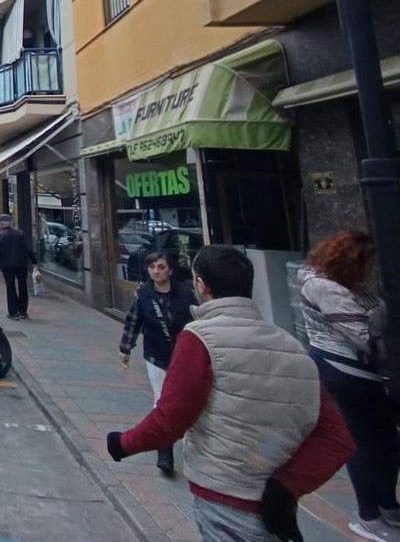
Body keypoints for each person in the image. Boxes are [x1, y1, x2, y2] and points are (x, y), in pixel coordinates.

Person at [106, 245, 354, 542]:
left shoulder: (200, 338)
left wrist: (123, 443)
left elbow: (171, 418)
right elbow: (337, 439)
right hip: (277, 507)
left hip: (223, 494)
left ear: (201, 285)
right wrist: (285, 487)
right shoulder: (292, 347)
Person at [299, 230, 399, 542]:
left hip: (367, 373)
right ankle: (368, 515)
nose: (369, 268)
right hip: (344, 371)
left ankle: (387, 504)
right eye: (365, 261)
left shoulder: (348, 284)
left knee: (386, 442)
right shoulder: (325, 287)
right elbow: (364, 336)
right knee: (364, 444)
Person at [118, 251, 197, 476]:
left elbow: (198, 321)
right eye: (152, 267)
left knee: (186, 400)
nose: (156, 271)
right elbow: (133, 321)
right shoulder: (143, 294)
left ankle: (192, 449)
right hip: (156, 353)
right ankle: (164, 451)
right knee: (162, 400)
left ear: (170, 270)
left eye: (161, 267)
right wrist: (125, 348)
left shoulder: (186, 294)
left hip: (183, 354)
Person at [0, 214, 35, 320]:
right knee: (23, 286)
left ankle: (13, 312)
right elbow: (28, 249)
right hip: (21, 265)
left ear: (2, 223)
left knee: (10, 287)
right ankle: (23, 311)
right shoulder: (20, 234)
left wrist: (1, 258)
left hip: (7, 266)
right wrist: (34, 261)